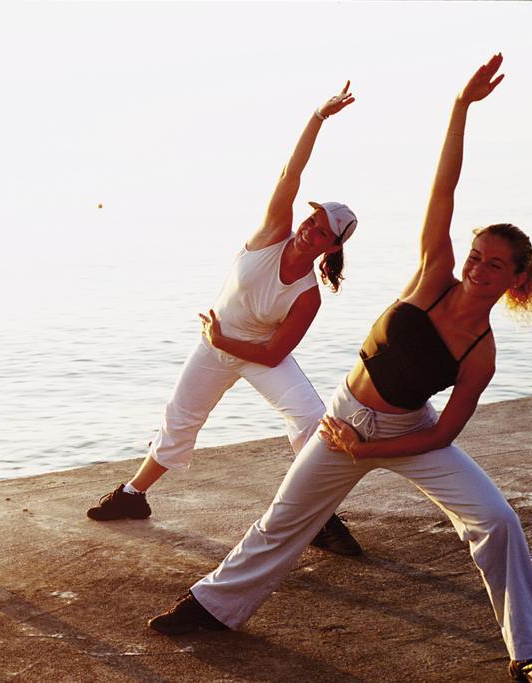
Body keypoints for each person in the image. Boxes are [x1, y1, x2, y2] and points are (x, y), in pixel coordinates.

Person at [147, 54, 532, 682]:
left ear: (517, 280)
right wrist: (459, 108)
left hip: (406, 433)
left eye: (495, 264)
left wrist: (370, 454)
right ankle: (211, 604)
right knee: (285, 520)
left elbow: (445, 433)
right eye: (477, 254)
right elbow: (443, 189)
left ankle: (530, 653)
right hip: (346, 416)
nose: (477, 267)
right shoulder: (432, 275)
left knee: (497, 521)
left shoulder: (482, 352)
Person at [86, 82, 363, 556]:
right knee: (180, 420)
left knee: (310, 419)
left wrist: (223, 340)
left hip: (255, 352)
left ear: (331, 247)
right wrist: (317, 116)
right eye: (311, 220)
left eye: (320, 232)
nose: (308, 230)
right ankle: (134, 497)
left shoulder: (307, 296)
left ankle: (318, 516)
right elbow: (290, 173)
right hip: (218, 344)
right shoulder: (273, 231)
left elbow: (275, 352)